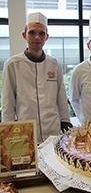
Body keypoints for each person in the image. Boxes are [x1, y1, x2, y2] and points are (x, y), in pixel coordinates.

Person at [1, 12, 72, 143]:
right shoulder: (13, 65)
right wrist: (7, 132)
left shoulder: (54, 64)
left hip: (53, 131)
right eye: (32, 33)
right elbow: (7, 103)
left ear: (47, 37)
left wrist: (65, 121)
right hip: (24, 132)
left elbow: (61, 97)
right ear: (24, 35)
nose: (37, 37)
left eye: (41, 33)